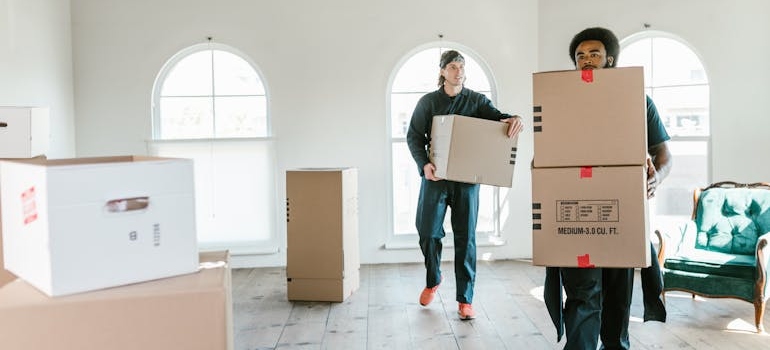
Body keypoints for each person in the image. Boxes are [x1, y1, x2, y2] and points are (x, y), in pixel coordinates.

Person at [543, 27, 673, 349]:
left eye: (594, 54)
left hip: (622, 213)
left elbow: (664, 154)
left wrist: (657, 176)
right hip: (575, 214)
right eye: (580, 56)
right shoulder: (559, 101)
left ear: (610, 60)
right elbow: (546, 154)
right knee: (582, 296)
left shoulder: (638, 99)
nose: (586, 60)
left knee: (617, 299)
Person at [406, 50, 524, 320]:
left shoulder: (477, 100)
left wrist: (514, 118)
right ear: (442, 72)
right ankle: (433, 279)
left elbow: (498, 119)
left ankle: (465, 300)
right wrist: (424, 165)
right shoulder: (428, 102)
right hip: (435, 178)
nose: (458, 71)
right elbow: (413, 136)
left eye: (461, 66)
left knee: (465, 238)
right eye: (452, 66)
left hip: (467, 182)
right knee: (427, 231)